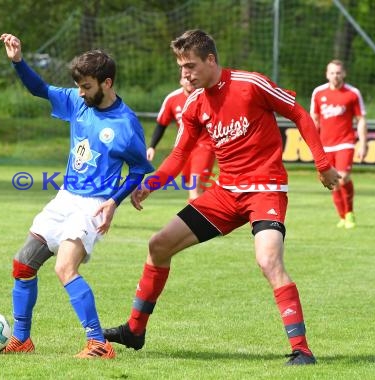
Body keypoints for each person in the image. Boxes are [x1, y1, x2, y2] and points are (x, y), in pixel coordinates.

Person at [103, 29, 340, 366]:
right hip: (225, 194)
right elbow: (179, 154)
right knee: (158, 244)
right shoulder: (193, 104)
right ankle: (134, 330)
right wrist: (151, 184)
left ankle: (302, 349)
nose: (184, 74)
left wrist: (323, 164)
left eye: (190, 66)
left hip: (265, 189)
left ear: (211, 60)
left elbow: (300, 114)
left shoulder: (250, 84)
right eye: (181, 67)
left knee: (268, 261)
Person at [0, 33, 154, 359]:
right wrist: (18, 61)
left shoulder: (126, 125)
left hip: (94, 204)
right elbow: (39, 89)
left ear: (106, 83)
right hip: (66, 196)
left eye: (86, 87)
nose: (80, 93)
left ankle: (98, 343)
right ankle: (22, 339)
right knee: (22, 264)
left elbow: (139, 170)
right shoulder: (76, 102)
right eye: (78, 86)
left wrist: (114, 202)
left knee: (65, 269)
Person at [310, 59, 367, 229]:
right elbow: (314, 119)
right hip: (325, 145)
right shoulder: (318, 93)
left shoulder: (352, 93)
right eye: (332, 73)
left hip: (345, 143)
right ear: (327, 74)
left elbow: (361, 119)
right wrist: (313, 143)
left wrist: (363, 143)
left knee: (343, 177)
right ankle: (342, 217)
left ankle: (349, 213)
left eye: (338, 72)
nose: (335, 76)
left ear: (344, 74)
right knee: (332, 182)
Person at [147, 77, 215, 200]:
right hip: (185, 148)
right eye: (185, 78)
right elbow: (162, 124)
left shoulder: (206, 96)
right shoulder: (172, 98)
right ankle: (210, 210)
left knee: (195, 187)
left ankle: (195, 218)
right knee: (192, 186)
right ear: (180, 81)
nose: (189, 81)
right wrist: (152, 146)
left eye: (191, 79)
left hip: (205, 147)